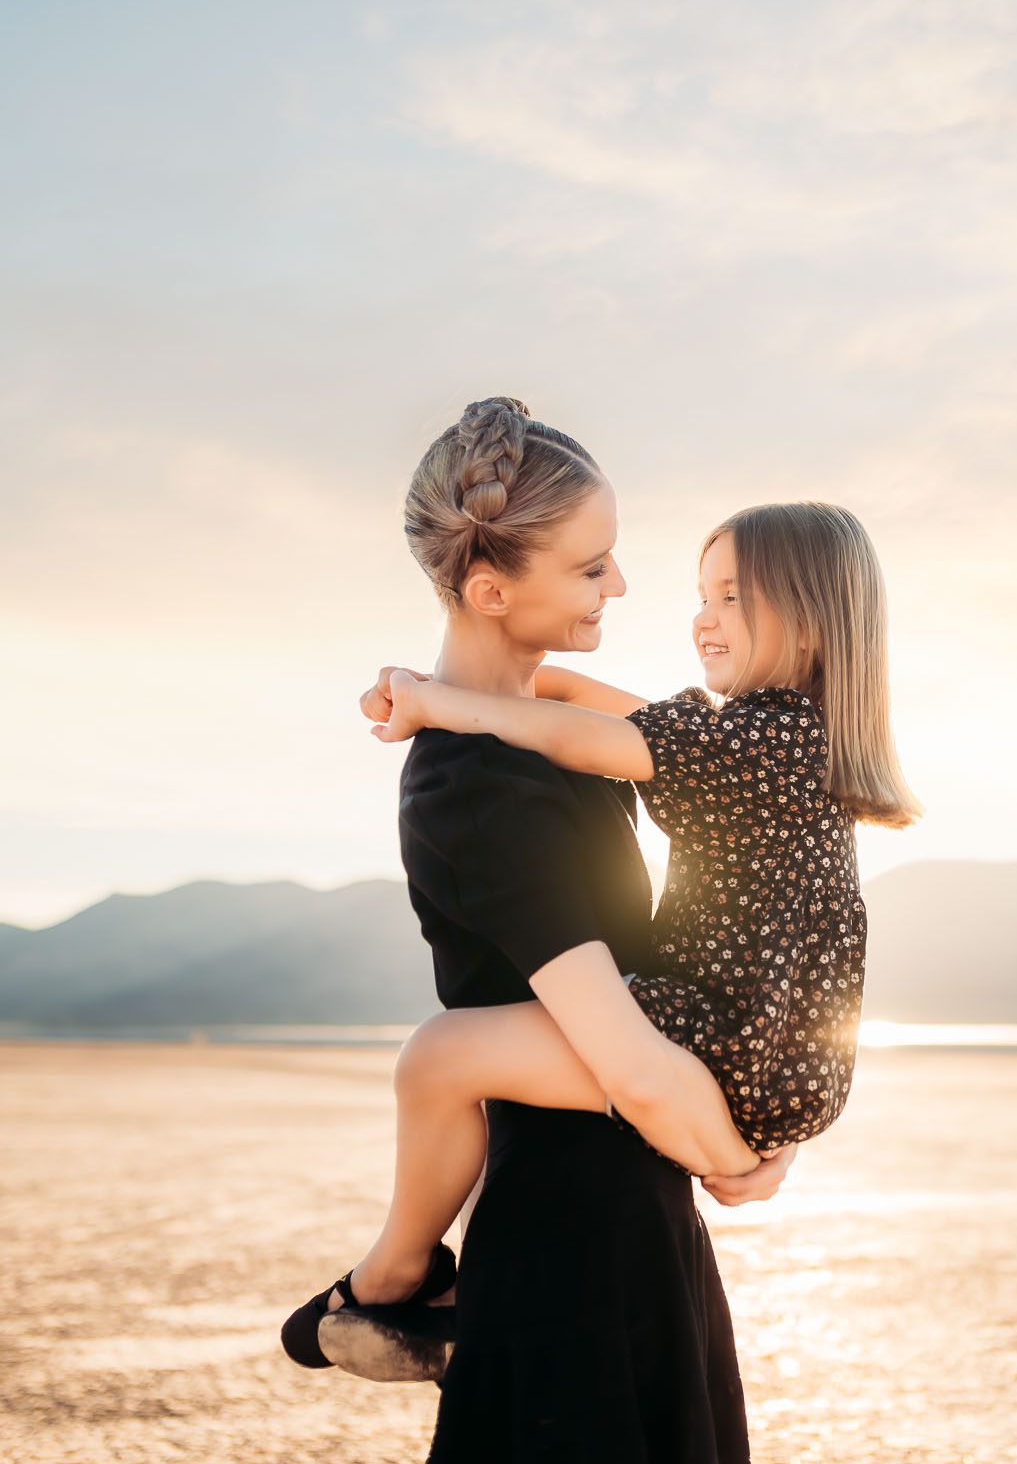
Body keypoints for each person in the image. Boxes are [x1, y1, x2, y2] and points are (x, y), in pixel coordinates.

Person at [285, 397, 796, 1464]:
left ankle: (377, 1296)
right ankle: (378, 1292)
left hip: (616, 1237)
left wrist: (445, 681)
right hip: (563, 1257)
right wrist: (734, 1150)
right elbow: (621, 1054)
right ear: (485, 585)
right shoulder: (475, 790)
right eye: (588, 567)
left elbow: (647, 724)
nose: (616, 591)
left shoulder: (536, 734)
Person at [294, 497, 920, 1338]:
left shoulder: (761, 745)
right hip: (775, 1052)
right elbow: (582, 697)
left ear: (813, 623)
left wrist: (438, 709)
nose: (704, 618)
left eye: (734, 596)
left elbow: (578, 735)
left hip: (724, 1037)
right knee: (442, 1064)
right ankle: (416, 1277)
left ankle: (397, 1276)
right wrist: (436, 683)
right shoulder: (772, 741)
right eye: (704, 595)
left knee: (436, 1060)